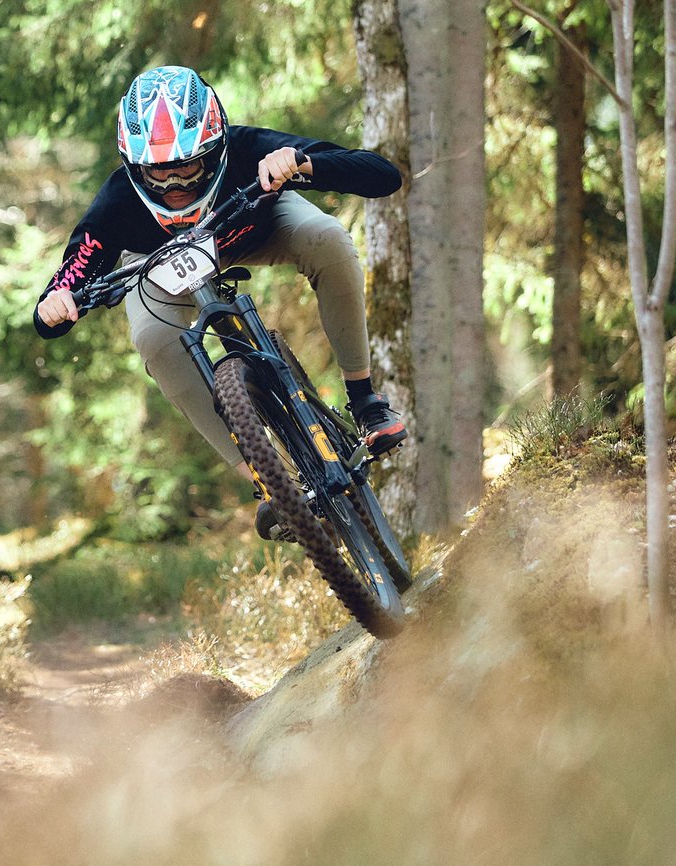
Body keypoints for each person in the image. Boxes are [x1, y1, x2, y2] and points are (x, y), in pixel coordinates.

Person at [33, 65, 408, 541]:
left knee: (327, 237)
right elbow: (64, 286)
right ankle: (266, 483)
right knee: (154, 339)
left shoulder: (251, 148)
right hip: (157, 261)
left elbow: (383, 176)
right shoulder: (118, 203)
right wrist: (57, 301)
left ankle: (366, 401)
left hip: (254, 224)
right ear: (133, 165)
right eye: (157, 173)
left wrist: (302, 164)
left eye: (186, 168)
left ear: (214, 149)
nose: (174, 187)